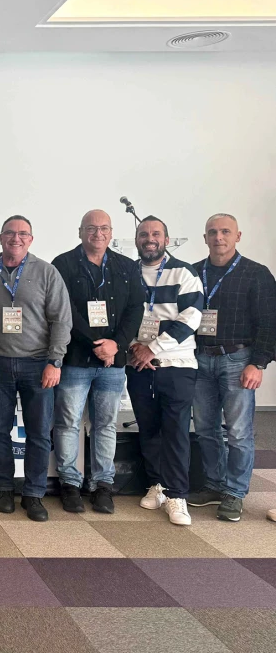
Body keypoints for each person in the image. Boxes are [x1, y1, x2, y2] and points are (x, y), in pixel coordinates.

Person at [0, 215, 71, 522]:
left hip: (38, 364)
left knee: (40, 434)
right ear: (0, 238)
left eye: (22, 234)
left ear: (31, 239)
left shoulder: (47, 272)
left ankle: (34, 494)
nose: (16, 238)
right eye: (10, 233)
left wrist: (55, 361)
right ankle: (4, 488)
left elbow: (61, 320)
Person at [52, 210, 145, 514]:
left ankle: (102, 485)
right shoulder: (62, 264)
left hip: (112, 364)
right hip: (76, 359)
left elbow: (134, 310)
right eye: (91, 228)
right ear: (80, 232)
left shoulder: (127, 266)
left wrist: (116, 345)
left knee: (105, 424)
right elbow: (64, 312)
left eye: (104, 228)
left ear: (111, 232)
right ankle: (69, 483)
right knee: (68, 424)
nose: (98, 233)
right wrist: (96, 345)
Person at [189, 214, 276, 522]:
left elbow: (269, 323)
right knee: (205, 428)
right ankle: (214, 484)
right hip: (199, 359)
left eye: (225, 231)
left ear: (238, 236)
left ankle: (236, 492)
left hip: (238, 359)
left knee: (238, 432)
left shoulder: (256, 274)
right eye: (212, 232)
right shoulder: (193, 272)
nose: (219, 237)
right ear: (205, 237)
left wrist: (258, 362)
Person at [127, 216, 204, 526]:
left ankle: (176, 495)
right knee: (149, 429)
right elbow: (121, 315)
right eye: (143, 234)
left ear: (166, 239)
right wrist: (135, 347)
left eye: (156, 234)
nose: (150, 239)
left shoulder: (184, 273)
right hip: (138, 365)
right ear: (136, 240)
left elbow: (191, 318)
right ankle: (157, 485)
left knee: (175, 432)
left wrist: (153, 349)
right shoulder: (128, 272)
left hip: (177, 366)